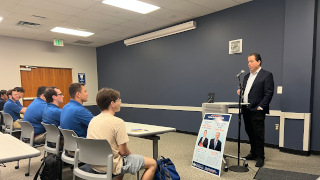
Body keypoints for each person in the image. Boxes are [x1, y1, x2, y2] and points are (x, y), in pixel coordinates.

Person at [87, 88, 157, 180]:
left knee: (121, 158)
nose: (120, 102)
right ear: (112, 104)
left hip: (95, 164)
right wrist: (130, 154)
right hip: (111, 165)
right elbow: (123, 152)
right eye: (119, 100)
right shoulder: (118, 122)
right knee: (153, 163)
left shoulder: (93, 120)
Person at [237, 53, 274, 167]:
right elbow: (248, 92)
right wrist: (241, 92)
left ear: (259, 62)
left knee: (258, 134)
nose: (249, 64)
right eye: (248, 62)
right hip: (246, 109)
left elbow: (269, 93)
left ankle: (260, 157)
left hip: (257, 110)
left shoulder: (266, 75)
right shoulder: (246, 76)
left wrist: (261, 106)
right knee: (250, 132)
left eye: (252, 61)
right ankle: (253, 153)